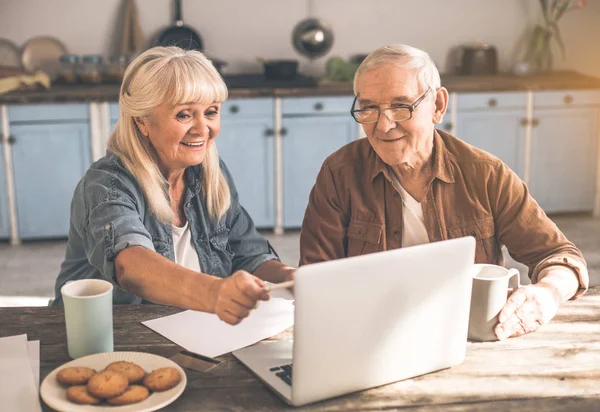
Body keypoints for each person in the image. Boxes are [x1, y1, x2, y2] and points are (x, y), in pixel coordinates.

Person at [299, 44, 588, 340]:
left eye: (401, 106)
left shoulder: (486, 175)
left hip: (465, 340)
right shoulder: (340, 174)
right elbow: (314, 281)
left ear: (438, 105)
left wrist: (548, 293)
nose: (383, 126)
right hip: (371, 337)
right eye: (370, 108)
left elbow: (560, 256)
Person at [53, 46, 295, 325]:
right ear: (142, 121)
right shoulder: (106, 183)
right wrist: (214, 293)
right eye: (184, 115)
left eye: (211, 112)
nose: (203, 128)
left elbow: (248, 255)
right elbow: (130, 266)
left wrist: (290, 277)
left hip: (186, 332)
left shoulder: (210, 174)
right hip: (100, 338)